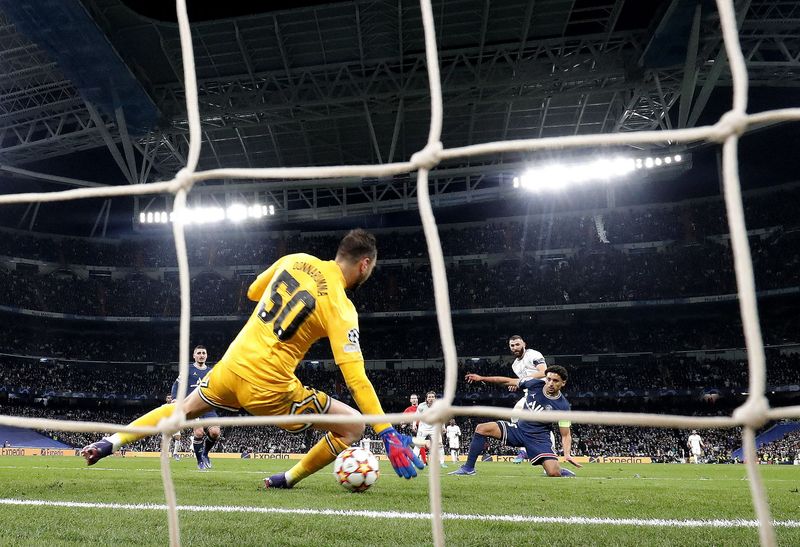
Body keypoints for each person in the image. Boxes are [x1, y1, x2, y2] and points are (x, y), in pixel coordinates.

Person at [80, 229, 423, 488]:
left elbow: (253, 292)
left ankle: (109, 442)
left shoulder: (294, 260)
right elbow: (356, 379)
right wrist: (388, 431)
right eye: (371, 269)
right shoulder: (341, 307)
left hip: (231, 366)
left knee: (182, 409)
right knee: (353, 426)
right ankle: (287, 479)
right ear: (364, 264)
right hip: (270, 389)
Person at [450, 366, 581, 477]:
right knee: (481, 428)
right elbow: (508, 381)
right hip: (517, 429)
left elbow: (565, 434)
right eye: (549, 379)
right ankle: (468, 468)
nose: (551, 383)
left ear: (563, 383)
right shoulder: (534, 384)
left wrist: (567, 454)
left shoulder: (563, 407)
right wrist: (481, 378)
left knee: (553, 473)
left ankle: (558, 469)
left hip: (538, 438)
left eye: (555, 381)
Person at [166, 345, 221, 470]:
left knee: (215, 433)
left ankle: (205, 453)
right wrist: (174, 397)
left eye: (203, 353)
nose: (201, 355)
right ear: (194, 356)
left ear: (206, 355)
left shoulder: (212, 372)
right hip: (192, 407)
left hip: (207, 406)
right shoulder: (187, 370)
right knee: (199, 432)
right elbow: (176, 385)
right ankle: (199, 461)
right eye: (199, 353)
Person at [415, 391, 447, 468]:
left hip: (434, 427)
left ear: (435, 398)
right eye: (429, 397)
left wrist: (443, 427)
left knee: (439, 445)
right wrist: (414, 425)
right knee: (418, 445)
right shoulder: (421, 406)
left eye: (433, 397)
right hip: (423, 427)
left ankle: (442, 462)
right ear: (426, 398)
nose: (431, 398)